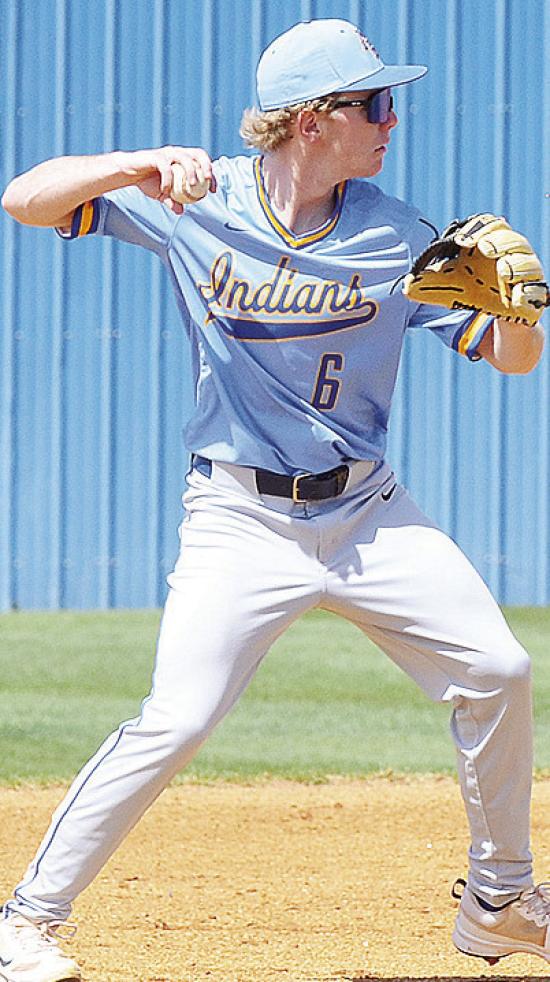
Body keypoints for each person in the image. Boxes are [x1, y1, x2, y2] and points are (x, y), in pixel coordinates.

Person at [1, 17, 548, 981]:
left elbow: (509, 361)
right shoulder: (198, 201)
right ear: (311, 122)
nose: (391, 119)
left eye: (390, 101)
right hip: (239, 517)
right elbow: (24, 201)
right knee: (177, 717)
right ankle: (27, 918)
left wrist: (524, 313)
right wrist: (133, 165)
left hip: (369, 513)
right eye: (373, 102)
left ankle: (499, 900)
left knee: (499, 669)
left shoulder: (398, 234)